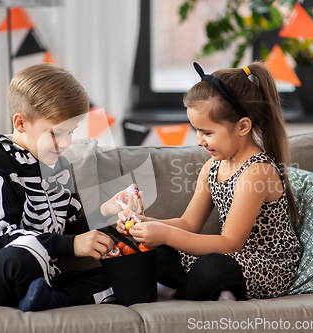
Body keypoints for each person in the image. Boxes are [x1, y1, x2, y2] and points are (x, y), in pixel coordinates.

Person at [117, 61, 301, 301]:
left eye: (207, 132)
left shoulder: (257, 171)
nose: (199, 140)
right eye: (196, 130)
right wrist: (146, 224)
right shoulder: (212, 167)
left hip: (265, 267)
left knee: (213, 268)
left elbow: (230, 243)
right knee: (153, 251)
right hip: (229, 256)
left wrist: (165, 234)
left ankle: (179, 292)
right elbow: (188, 223)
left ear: (243, 126)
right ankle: (209, 292)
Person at [0, 63, 140, 312]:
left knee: (127, 271)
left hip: (47, 278)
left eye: (71, 133)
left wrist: (105, 210)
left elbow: (66, 231)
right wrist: (71, 245)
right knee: (19, 257)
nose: (66, 143)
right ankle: (50, 295)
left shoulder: (58, 167)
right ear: (21, 123)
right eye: (57, 133)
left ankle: (54, 299)